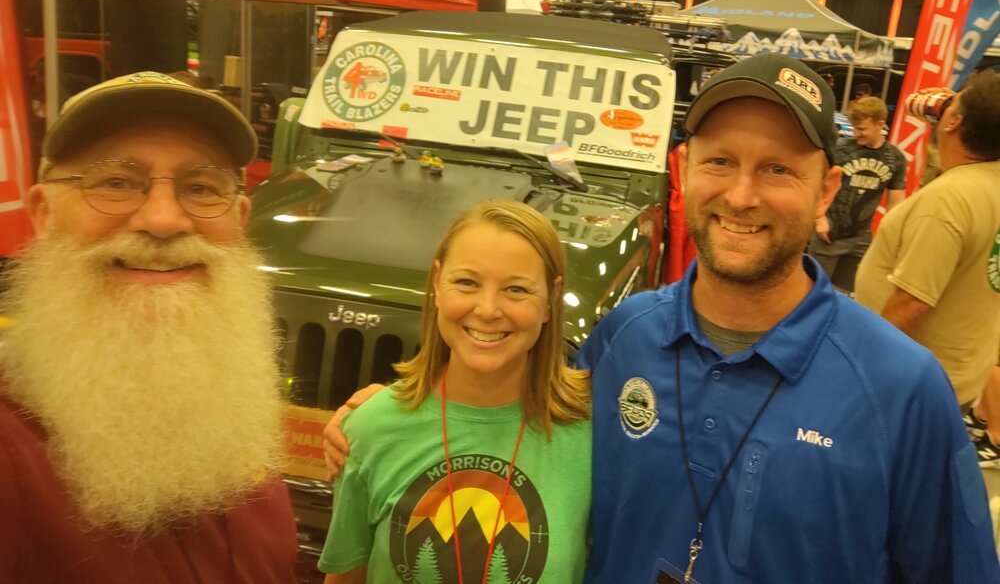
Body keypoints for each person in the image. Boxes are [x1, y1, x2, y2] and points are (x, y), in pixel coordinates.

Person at [325, 53, 999, 583]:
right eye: (720, 162)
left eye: (777, 170)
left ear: (826, 189)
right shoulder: (623, 337)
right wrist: (392, 413)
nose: (741, 195)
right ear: (683, 169)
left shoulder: (901, 388)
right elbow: (513, 419)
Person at [0, 72, 297, 583]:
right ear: (44, 214)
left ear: (240, 220)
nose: (163, 220)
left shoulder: (234, 409)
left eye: (201, 188)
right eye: (116, 182)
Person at [319, 200, 591, 584]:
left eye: (516, 289)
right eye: (467, 283)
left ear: (551, 299)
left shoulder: (592, 435)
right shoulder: (372, 427)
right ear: (436, 282)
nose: (488, 309)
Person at [856, 71, 1000, 417]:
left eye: (953, 102)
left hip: (907, 388)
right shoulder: (988, 183)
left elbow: (911, 303)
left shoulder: (949, 199)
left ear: (953, 122)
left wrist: (860, 370)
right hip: (954, 378)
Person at [808, 95, 906, 293]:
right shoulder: (840, 149)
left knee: (845, 294)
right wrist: (819, 219)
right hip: (829, 233)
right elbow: (813, 183)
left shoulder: (895, 158)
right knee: (813, 292)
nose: (856, 133)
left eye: (861, 129)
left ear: (880, 124)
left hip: (860, 239)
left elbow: (896, 204)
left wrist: (890, 239)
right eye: (854, 128)